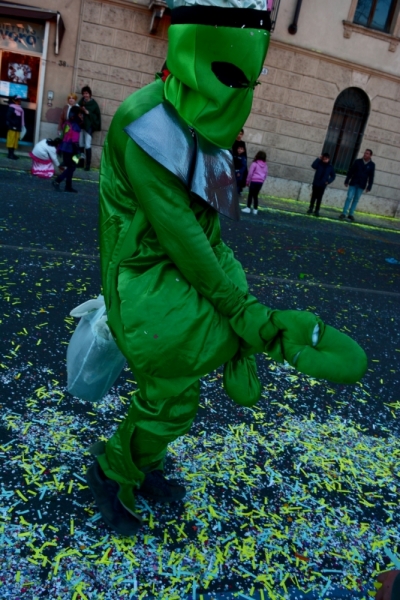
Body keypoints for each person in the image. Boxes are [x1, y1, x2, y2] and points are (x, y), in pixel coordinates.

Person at [89, 0, 367, 536]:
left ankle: (139, 464)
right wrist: (242, 312)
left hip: (180, 279)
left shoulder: (204, 128)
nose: (241, 95)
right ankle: (112, 471)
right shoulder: (141, 121)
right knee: (171, 391)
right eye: (232, 77)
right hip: (145, 281)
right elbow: (184, 236)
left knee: (177, 394)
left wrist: (245, 305)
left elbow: (212, 233)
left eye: (251, 81)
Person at [339, 149, 375, 222]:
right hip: (354, 182)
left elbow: (371, 176)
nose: (365, 154)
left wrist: (369, 186)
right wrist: (347, 180)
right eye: (365, 153)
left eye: (367, 153)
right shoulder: (358, 161)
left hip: (362, 184)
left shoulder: (372, 165)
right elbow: (351, 171)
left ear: (370, 155)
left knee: (356, 199)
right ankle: (344, 213)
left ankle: (351, 214)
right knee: (349, 197)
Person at [52, 105, 81, 193]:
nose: (81, 116)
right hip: (71, 149)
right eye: (80, 114)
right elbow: (75, 141)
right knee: (72, 167)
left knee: (70, 167)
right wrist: (78, 152)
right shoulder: (75, 125)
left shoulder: (67, 123)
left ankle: (68, 186)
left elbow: (62, 136)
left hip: (64, 148)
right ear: (76, 114)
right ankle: (57, 181)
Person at [78, 85, 101, 171]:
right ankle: (81, 163)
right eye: (84, 93)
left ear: (90, 94)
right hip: (81, 125)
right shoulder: (82, 101)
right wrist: (80, 112)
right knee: (80, 144)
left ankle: (88, 165)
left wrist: (88, 113)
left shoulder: (94, 104)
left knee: (87, 145)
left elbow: (97, 116)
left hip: (89, 127)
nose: (85, 95)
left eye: (87, 93)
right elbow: (77, 108)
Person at [307, 153, 336, 217]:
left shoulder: (330, 167)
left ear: (328, 159)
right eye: (324, 159)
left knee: (319, 198)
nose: (325, 160)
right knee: (313, 196)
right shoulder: (319, 163)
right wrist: (318, 158)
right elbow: (313, 166)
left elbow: (333, 176)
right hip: (316, 183)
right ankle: (311, 208)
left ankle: (317, 210)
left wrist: (328, 181)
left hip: (322, 185)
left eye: (326, 159)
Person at [242, 150, 268, 215]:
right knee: (255, 195)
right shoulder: (265, 165)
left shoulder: (254, 164)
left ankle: (248, 208)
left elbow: (250, 173)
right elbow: (266, 174)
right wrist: (262, 180)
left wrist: (247, 181)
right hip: (260, 182)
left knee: (250, 194)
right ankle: (255, 209)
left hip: (254, 181)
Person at [6, 95, 25, 160]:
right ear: (14, 100)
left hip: (17, 128)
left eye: (20, 100)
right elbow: (8, 117)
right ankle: (10, 154)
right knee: (11, 141)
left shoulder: (20, 108)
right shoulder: (11, 108)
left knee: (15, 141)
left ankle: (12, 154)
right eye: (17, 100)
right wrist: (14, 123)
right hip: (12, 127)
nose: (19, 101)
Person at [232, 128, 247, 193]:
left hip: (239, 163)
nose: (239, 135)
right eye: (238, 133)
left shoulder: (242, 143)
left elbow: (244, 154)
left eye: (241, 134)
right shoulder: (232, 141)